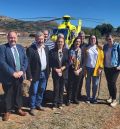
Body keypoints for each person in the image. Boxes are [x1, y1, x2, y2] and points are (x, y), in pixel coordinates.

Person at [0, 31, 28, 121]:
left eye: (14, 37)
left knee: (18, 93)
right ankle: (7, 111)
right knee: (8, 94)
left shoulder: (20, 47)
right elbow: (2, 62)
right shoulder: (3, 48)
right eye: (11, 37)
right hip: (8, 76)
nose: (13, 39)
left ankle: (18, 108)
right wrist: (13, 73)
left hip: (19, 76)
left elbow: (25, 60)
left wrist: (22, 71)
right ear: (8, 38)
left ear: (17, 38)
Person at [26, 32, 49, 116]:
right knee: (34, 91)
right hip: (35, 74)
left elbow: (48, 61)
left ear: (44, 39)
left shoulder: (46, 48)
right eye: (38, 39)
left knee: (42, 89)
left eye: (42, 39)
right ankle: (32, 107)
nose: (40, 41)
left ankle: (38, 104)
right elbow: (27, 64)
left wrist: (48, 73)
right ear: (35, 39)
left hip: (44, 73)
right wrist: (29, 75)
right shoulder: (31, 49)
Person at [49, 36, 69, 110]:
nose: (60, 43)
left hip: (63, 73)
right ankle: (54, 103)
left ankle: (60, 103)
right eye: (59, 41)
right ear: (56, 42)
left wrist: (62, 68)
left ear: (64, 43)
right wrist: (55, 69)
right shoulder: (52, 51)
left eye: (61, 42)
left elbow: (68, 62)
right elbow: (50, 62)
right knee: (56, 88)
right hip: (55, 72)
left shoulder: (67, 51)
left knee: (61, 88)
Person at [84, 35, 104, 103]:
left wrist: (101, 68)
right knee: (87, 83)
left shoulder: (99, 48)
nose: (93, 39)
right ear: (89, 40)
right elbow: (83, 58)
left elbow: (102, 59)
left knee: (95, 84)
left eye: (94, 38)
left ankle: (94, 97)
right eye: (91, 38)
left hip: (96, 69)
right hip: (87, 68)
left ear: (96, 39)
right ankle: (88, 97)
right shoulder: (86, 48)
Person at [103, 34, 120, 107]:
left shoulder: (117, 46)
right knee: (109, 82)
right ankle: (110, 96)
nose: (109, 40)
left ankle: (114, 99)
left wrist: (119, 65)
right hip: (106, 67)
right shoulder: (105, 46)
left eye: (110, 39)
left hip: (115, 67)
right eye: (107, 39)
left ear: (113, 38)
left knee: (112, 82)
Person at [67, 37, 84, 106]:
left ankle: (75, 98)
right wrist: (74, 69)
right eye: (76, 41)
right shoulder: (70, 51)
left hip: (79, 71)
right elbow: (68, 61)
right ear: (74, 42)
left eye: (79, 42)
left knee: (77, 85)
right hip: (71, 71)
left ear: (80, 43)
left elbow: (83, 62)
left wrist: (79, 70)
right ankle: (68, 99)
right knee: (70, 85)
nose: (77, 43)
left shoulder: (82, 51)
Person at [77, 31, 87, 98]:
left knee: (80, 81)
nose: (82, 38)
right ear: (78, 36)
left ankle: (78, 94)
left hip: (82, 67)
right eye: (81, 36)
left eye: (83, 37)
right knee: (74, 81)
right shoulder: (75, 43)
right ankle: (73, 94)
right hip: (75, 66)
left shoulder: (86, 45)